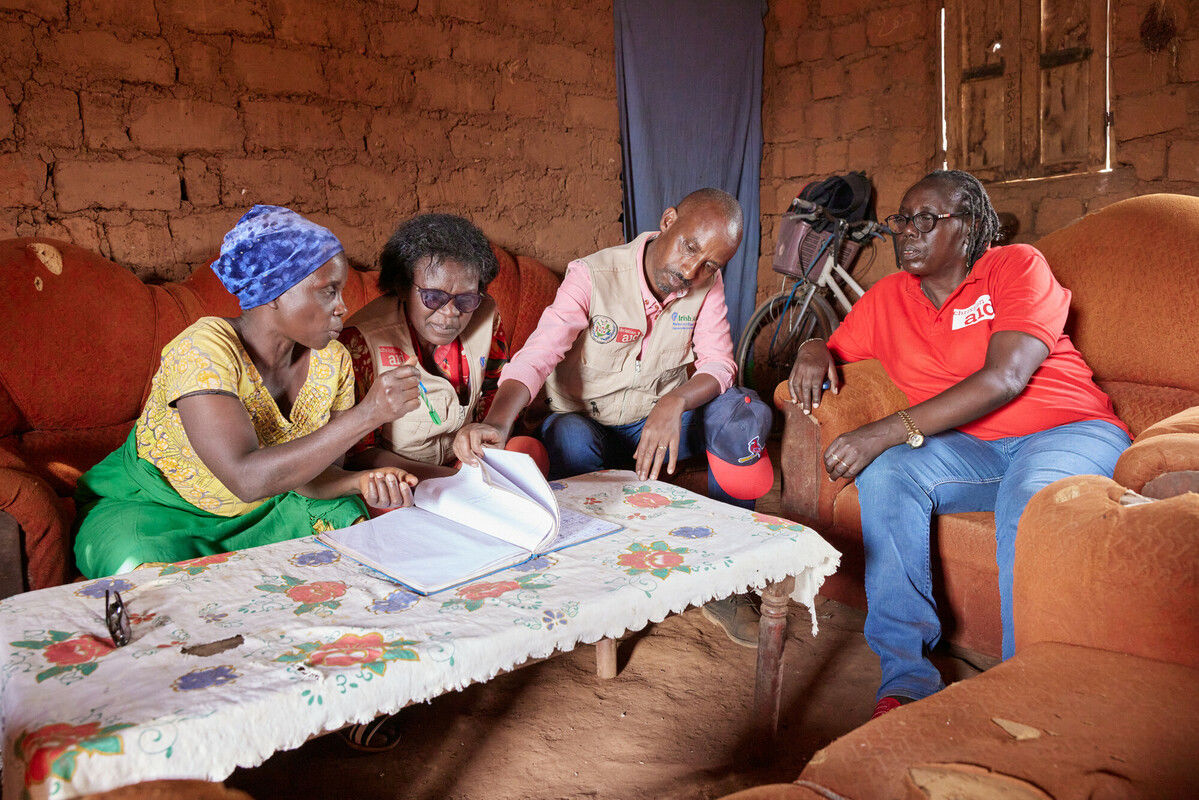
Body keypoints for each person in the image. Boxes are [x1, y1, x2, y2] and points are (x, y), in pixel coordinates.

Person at [786, 170, 1131, 720]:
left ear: (969, 228)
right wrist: (809, 345)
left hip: (1072, 433)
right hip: (976, 451)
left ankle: (1024, 695)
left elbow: (1005, 378)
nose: (908, 232)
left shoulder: (1015, 267)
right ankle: (906, 681)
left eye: (927, 219)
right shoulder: (887, 298)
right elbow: (833, 346)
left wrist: (884, 430)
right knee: (887, 474)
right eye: (902, 220)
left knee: (1029, 494)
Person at [452, 187, 775, 647]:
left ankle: (726, 575)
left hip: (657, 427)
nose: (691, 270)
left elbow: (720, 364)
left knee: (735, 411)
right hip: (588, 425)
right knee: (568, 438)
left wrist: (674, 402)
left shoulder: (706, 285)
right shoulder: (593, 276)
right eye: (689, 247)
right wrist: (499, 423)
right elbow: (539, 353)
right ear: (667, 222)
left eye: (711, 264)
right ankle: (603, 576)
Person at [74, 206, 422, 579]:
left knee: (345, 516)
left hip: (271, 507)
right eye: (328, 292)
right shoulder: (203, 349)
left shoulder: (332, 360)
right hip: (161, 511)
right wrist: (367, 415)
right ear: (273, 292)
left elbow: (311, 474)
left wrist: (359, 481)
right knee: (143, 565)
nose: (343, 307)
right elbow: (245, 479)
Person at [339, 213, 544, 484]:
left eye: (466, 299)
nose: (449, 313)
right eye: (433, 297)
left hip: (464, 464)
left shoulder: (486, 316)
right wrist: (450, 481)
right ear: (401, 287)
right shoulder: (360, 342)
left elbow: (493, 393)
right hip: (403, 477)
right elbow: (361, 453)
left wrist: (479, 434)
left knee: (530, 453)